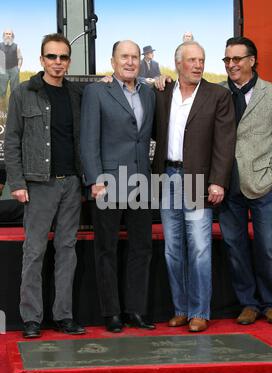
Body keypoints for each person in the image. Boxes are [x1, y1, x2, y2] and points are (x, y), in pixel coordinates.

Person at [4, 33, 86, 338]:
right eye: (52, 56)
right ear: (41, 60)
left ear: (68, 61)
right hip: (38, 184)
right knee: (34, 251)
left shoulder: (76, 94)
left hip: (72, 183)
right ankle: (32, 319)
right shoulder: (24, 93)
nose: (58, 62)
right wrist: (17, 182)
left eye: (63, 57)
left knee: (67, 250)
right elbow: (12, 140)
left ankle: (63, 316)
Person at [152, 41, 236, 332]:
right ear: (178, 63)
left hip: (199, 180)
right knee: (173, 249)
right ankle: (181, 309)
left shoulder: (218, 95)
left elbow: (225, 143)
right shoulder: (162, 93)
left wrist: (218, 181)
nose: (198, 65)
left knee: (199, 248)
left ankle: (199, 311)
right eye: (191, 60)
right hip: (167, 177)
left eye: (201, 60)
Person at [218, 36, 272, 325]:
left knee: (268, 246)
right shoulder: (216, 93)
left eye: (236, 59)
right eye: (227, 60)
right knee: (235, 247)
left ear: (252, 60)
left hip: (262, 183)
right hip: (227, 185)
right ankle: (248, 303)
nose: (231, 65)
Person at [80, 40, 156, 333]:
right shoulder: (97, 91)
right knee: (106, 250)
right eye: (124, 56)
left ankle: (135, 310)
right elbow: (88, 140)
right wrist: (95, 180)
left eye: (135, 57)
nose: (130, 61)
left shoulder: (149, 93)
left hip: (141, 182)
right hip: (108, 183)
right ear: (112, 61)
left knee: (141, 249)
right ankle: (111, 313)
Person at [0, 29, 23, 106]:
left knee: (15, 89)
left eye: (10, 34)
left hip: (14, 69)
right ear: (3, 35)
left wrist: (18, 68)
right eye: (6, 34)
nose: (8, 35)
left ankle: (14, 106)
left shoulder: (16, 46)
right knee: (2, 90)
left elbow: (20, 58)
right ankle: (2, 107)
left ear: (12, 36)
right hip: (3, 70)